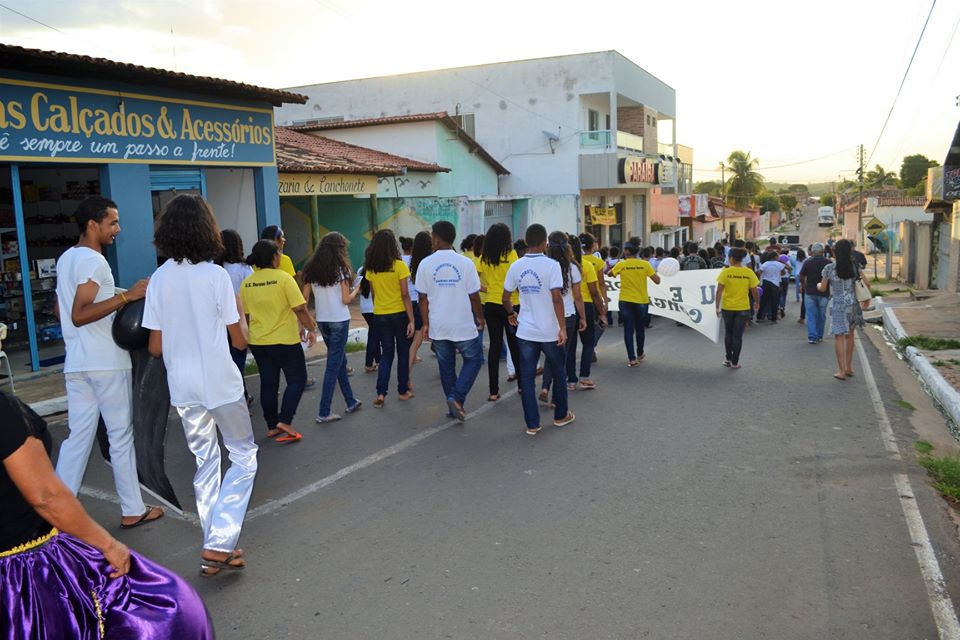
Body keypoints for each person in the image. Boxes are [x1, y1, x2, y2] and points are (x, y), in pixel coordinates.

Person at [0, 391, 214, 636]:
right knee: (171, 604)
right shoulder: (3, 409)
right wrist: (107, 545)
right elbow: (47, 497)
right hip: (21, 575)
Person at [143, 194, 258, 574]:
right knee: (243, 457)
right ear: (206, 230)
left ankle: (216, 546)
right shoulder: (215, 275)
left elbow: (155, 347)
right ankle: (219, 542)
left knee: (205, 464)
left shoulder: (159, 278)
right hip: (221, 384)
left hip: (184, 387)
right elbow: (238, 340)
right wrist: (243, 321)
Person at [54, 195, 163, 529]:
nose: (118, 229)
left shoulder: (66, 259)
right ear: (93, 224)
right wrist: (126, 297)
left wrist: (115, 296)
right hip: (106, 363)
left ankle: (56, 512)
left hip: (78, 363)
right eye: (112, 222)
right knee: (120, 435)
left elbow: (62, 310)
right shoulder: (94, 261)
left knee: (78, 438)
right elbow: (79, 313)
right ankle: (132, 508)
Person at [503, 224, 575, 435]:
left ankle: (532, 424)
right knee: (559, 373)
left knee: (526, 378)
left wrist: (510, 314)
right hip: (549, 331)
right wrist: (562, 327)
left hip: (525, 330)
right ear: (545, 243)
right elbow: (556, 298)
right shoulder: (551, 265)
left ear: (526, 241)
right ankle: (561, 416)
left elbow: (505, 297)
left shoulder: (516, 266)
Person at [241, 240, 316, 442]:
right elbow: (300, 308)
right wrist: (311, 328)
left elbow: (246, 316)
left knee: (268, 383)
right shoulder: (283, 278)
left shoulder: (247, 283)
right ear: (274, 257)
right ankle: (285, 419)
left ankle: (272, 425)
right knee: (297, 380)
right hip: (284, 341)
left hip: (258, 341)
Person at [415, 221, 485, 421]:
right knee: (474, 359)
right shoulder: (465, 263)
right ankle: (456, 397)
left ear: (436, 238)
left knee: (446, 365)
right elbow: (474, 295)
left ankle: (453, 403)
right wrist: (480, 317)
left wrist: (426, 323)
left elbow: (422, 298)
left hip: (438, 325)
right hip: (462, 323)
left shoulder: (425, 264)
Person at [301, 232, 362, 424]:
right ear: (340, 249)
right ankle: (324, 411)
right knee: (333, 363)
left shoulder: (311, 269)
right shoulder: (342, 269)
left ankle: (350, 400)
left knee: (339, 360)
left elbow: (303, 300)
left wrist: (304, 323)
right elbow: (345, 299)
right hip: (339, 320)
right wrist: (356, 290)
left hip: (323, 321)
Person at [364, 229, 416, 408]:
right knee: (402, 353)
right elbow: (405, 295)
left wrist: (380, 309)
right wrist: (411, 319)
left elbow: (373, 294)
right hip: (400, 314)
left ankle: (381, 393)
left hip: (380, 314)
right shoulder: (399, 266)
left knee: (386, 354)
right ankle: (403, 391)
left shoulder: (371, 268)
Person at [539, 232, 586, 401]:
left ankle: (545, 387)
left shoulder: (545, 265)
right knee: (561, 356)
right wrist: (583, 317)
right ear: (568, 247)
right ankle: (556, 399)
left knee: (551, 353)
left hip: (548, 315)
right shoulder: (573, 267)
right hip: (567, 315)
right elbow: (578, 297)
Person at [478, 222, 521, 401]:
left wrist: (489, 290)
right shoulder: (512, 255)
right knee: (515, 346)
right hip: (511, 305)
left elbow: (476, 282)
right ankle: (522, 386)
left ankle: (493, 391)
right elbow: (518, 278)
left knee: (495, 347)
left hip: (491, 305)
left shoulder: (484, 258)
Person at [818, 239, 870, 380]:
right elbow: (867, 283)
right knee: (850, 335)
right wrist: (867, 299)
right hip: (852, 303)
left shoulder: (829, 268)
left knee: (839, 336)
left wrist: (818, 285)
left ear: (835, 252)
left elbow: (822, 288)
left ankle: (841, 371)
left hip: (837, 304)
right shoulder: (855, 266)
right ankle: (849, 367)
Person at [219, 229, 254, 407]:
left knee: (226, 362)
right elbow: (252, 294)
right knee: (238, 361)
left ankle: (239, 395)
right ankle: (240, 397)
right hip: (240, 320)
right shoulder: (244, 269)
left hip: (220, 322)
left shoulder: (215, 268)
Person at [610, 241, 660, 366]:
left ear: (626, 251)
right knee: (640, 329)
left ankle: (632, 358)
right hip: (641, 301)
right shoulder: (645, 264)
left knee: (628, 329)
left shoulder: (621, 264)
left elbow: (609, 273)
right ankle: (640, 352)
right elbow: (657, 281)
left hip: (625, 300)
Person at [715, 247, 761, 369]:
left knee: (728, 333)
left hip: (728, 307)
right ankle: (735, 362)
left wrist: (717, 307)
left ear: (731, 258)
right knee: (738, 335)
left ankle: (728, 359)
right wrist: (757, 302)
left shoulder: (726, 272)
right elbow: (754, 291)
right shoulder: (749, 272)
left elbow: (719, 291)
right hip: (743, 308)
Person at [571, 236, 606, 386]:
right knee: (588, 342)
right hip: (586, 305)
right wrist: (602, 312)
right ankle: (584, 376)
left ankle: (570, 380)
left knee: (570, 345)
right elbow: (594, 291)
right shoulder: (587, 265)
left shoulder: (562, 265)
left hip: (568, 307)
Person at [579, 232, 608, 362]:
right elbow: (601, 284)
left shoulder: (574, 260)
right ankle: (590, 348)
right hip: (592, 300)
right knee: (599, 324)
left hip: (576, 300)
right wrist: (605, 301)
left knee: (581, 329)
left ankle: (590, 349)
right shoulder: (598, 262)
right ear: (594, 246)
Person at [408, 231, 432, 372]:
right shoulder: (431, 259)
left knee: (417, 339)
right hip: (432, 303)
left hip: (419, 302)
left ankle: (406, 373)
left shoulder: (414, 260)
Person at [800, 243, 831, 344]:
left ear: (812, 252)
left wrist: (803, 285)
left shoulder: (807, 262)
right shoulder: (828, 263)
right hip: (824, 293)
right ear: (823, 252)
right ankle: (819, 336)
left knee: (811, 315)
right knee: (821, 315)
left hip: (810, 293)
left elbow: (801, 276)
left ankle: (812, 337)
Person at [355, 266, 381, 373]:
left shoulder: (360, 269)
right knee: (373, 335)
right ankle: (369, 363)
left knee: (374, 334)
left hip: (364, 308)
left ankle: (379, 360)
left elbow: (357, 287)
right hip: (374, 307)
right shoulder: (376, 270)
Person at [757, 252, 786, 323]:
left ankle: (759, 317)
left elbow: (759, 272)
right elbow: (784, 272)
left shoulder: (765, 263)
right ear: (775, 257)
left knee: (763, 301)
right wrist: (778, 274)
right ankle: (773, 319)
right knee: (775, 302)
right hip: (775, 284)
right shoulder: (779, 264)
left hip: (766, 283)